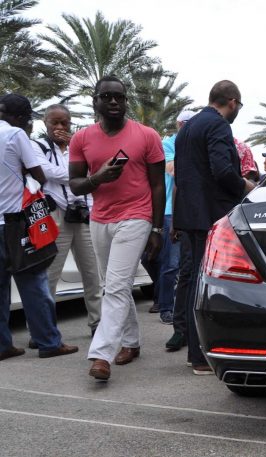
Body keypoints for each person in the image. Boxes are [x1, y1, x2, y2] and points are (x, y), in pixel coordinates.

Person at [69, 76, 166, 381]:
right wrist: (98, 178)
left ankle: (101, 354)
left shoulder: (147, 135)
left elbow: (158, 185)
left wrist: (157, 229)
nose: (114, 102)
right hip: (99, 219)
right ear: (94, 100)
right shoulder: (81, 138)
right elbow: (75, 185)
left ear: (126, 101)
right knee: (115, 285)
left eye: (120, 97)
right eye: (107, 96)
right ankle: (132, 342)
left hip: (136, 216)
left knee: (116, 284)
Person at [173, 80, 255, 375]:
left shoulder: (187, 129)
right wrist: (246, 186)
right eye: (239, 107)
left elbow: (182, 176)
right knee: (206, 282)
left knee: (195, 277)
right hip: (212, 215)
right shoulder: (219, 126)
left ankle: (194, 351)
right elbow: (222, 171)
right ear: (232, 102)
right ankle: (200, 356)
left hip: (190, 214)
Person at [0, 93, 79, 361]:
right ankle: (48, 342)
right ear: (22, 117)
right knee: (34, 283)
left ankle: (3, 345)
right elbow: (40, 174)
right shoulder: (15, 135)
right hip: (15, 222)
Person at [34, 104, 102, 337]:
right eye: (55, 122)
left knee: (92, 273)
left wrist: (76, 148)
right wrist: (82, 176)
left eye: (65, 122)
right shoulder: (38, 147)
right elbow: (47, 172)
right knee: (51, 273)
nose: (60, 127)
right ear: (45, 123)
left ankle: (97, 324)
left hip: (84, 213)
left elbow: (95, 171)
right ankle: (44, 331)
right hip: (58, 215)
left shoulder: (79, 146)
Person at [142, 110, 195, 328]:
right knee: (170, 263)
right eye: (189, 125)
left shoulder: (191, 146)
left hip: (187, 211)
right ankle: (166, 307)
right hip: (168, 211)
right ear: (181, 125)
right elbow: (173, 170)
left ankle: (170, 302)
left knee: (179, 264)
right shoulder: (169, 145)